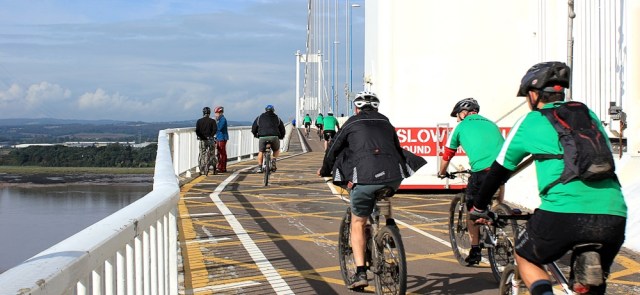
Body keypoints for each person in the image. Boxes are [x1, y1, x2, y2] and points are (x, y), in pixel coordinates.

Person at [470, 61, 627, 295]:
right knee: (590, 285)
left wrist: (479, 207)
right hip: (613, 214)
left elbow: (498, 171)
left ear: (533, 95)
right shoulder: (588, 114)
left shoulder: (530, 121)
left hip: (563, 211)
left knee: (525, 256)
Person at [318, 91, 411, 290]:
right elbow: (396, 148)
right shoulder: (386, 122)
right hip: (394, 177)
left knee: (358, 222)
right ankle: (390, 226)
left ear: (356, 108)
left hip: (366, 178)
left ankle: (361, 272)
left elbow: (333, 148)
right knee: (384, 191)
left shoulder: (352, 122)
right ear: (376, 108)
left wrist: (325, 171)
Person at [436, 97, 505, 265]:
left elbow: (447, 155)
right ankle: (496, 221)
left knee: (472, 209)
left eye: (458, 116)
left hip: (481, 171)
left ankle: (475, 250)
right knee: (495, 198)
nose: (457, 119)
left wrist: (442, 172)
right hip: (502, 168)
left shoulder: (461, 127)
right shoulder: (491, 124)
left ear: (464, 113)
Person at [251, 104, 286, 173]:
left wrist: (255, 134)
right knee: (276, 149)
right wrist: (281, 136)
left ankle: (260, 168)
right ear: (273, 110)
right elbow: (282, 129)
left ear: (265, 110)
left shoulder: (259, 117)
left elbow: (254, 128)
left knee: (261, 151)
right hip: (274, 136)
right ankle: (273, 159)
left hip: (262, 137)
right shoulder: (277, 118)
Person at [214, 106, 229, 173]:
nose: (215, 114)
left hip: (221, 137)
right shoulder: (221, 119)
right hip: (220, 137)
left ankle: (221, 167)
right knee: (222, 153)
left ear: (220, 113)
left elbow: (219, 128)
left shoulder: (222, 119)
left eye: (217, 113)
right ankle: (222, 167)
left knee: (221, 153)